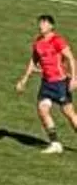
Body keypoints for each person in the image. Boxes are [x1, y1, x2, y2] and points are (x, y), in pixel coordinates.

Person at [15, 15, 77, 154]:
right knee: (42, 109)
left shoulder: (57, 41)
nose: (40, 25)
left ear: (51, 26)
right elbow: (33, 60)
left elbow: (71, 58)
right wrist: (24, 79)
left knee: (69, 114)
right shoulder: (38, 42)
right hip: (46, 83)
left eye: (44, 23)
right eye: (40, 23)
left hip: (60, 83)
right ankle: (55, 143)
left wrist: (74, 78)